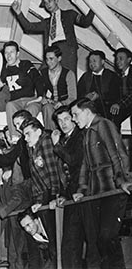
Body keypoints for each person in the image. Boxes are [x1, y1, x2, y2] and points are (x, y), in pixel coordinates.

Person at [71, 97, 132, 268]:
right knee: (100, 239)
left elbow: (118, 154)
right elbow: (85, 165)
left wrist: (123, 182)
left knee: (107, 236)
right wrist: (82, 189)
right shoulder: (87, 133)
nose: (74, 120)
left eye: (75, 115)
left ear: (86, 111)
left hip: (112, 190)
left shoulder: (104, 125)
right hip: (96, 193)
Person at [51, 105, 100, 268]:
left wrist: (57, 146)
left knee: (93, 242)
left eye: (66, 119)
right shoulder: (64, 139)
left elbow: (74, 161)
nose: (63, 123)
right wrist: (62, 194)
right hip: (71, 195)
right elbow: (61, 173)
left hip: (85, 192)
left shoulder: (81, 136)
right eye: (59, 121)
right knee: (70, 244)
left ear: (73, 118)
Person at [11, 0, 95, 75]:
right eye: (45, 3)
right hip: (51, 51)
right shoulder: (46, 22)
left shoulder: (69, 14)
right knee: (41, 75)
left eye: (50, 1)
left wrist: (95, 6)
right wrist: (18, 12)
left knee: (69, 77)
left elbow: (85, 22)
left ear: (56, 0)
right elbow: (28, 27)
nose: (48, 5)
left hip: (67, 49)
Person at [0, 162, 32, 269]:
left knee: (20, 253)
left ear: (0, 171)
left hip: (22, 221)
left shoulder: (12, 181)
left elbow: (17, 199)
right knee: (13, 254)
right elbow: (2, 202)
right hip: (12, 224)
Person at [0, 41, 43, 139]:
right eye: (6, 52)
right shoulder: (5, 69)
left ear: (17, 54)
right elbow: (0, 84)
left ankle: (30, 137)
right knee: (9, 105)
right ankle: (15, 138)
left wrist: (40, 97)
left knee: (30, 111)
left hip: (30, 100)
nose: (9, 55)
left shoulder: (26, 64)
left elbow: (38, 79)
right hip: (15, 102)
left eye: (11, 52)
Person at [40, 45, 77, 130]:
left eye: (51, 59)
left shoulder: (69, 74)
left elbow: (73, 97)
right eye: (46, 59)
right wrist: (43, 98)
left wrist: (62, 103)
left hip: (64, 106)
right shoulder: (42, 73)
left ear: (59, 58)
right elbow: (37, 92)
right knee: (47, 108)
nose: (48, 62)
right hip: (49, 105)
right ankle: (51, 135)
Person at [78, 50, 120, 121]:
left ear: (103, 62)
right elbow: (78, 93)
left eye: (94, 61)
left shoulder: (111, 76)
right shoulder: (86, 76)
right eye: (90, 61)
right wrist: (86, 96)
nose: (92, 64)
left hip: (106, 108)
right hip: (88, 107)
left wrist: (99, 96)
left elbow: (115, 95)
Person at [110, 47, 132, 127]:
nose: (118, 62)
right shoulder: (118, 77)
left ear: (129, 60)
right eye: (116, 59)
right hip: (125, 106)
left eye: (121, 58)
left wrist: (119, 104)